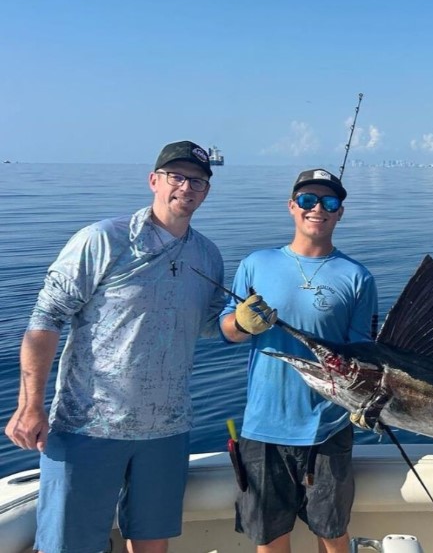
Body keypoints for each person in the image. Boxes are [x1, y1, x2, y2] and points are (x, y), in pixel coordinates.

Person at [4, 140, 224, 553]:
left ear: (207, 191)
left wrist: (243, 323)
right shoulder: (103, 239)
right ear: (154, 180)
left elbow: (209, 325)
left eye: (198, 181)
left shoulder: (208, 255)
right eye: (177, 177)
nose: (187, 187)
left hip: (167, 430)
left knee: (151, 545)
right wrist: (30, 404)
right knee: (68, 546)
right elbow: (45, 320)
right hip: (87, 428)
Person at [220, 168, 378, 553]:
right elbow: (227, 329)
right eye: (307, 200)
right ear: (292, 206)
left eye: (329, 202)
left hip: (328, 426)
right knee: (270, 539)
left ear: (340, 212)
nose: (317, 208)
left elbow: (363, 356)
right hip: (264, 425)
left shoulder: (358, 277)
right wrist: (241, 324)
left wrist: (364, 405)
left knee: (333, 534)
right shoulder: (256, 264)